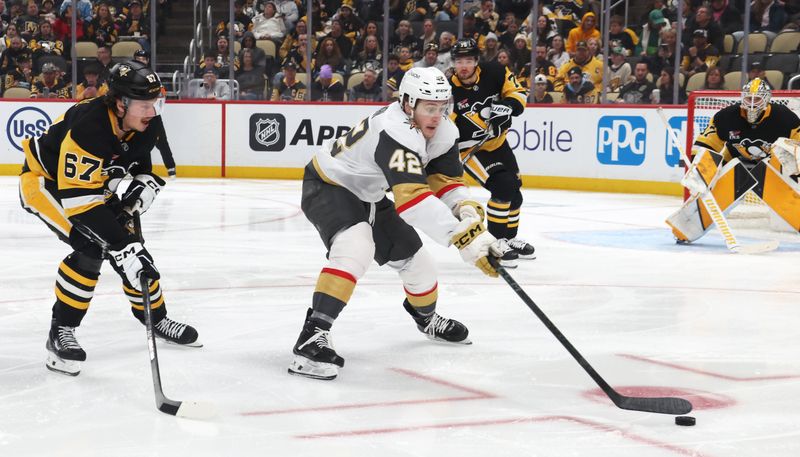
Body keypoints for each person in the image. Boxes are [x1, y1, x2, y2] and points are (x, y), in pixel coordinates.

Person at [288, 66, 503, 380]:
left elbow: (445, 181)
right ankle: (312, 337)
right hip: (329, 184)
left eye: (442, 108)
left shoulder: (442, 130)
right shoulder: (395, 128)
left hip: (370, 194)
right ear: (407, 104)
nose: (436, 116)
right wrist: (462, 236)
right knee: (355, 247)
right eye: (429, 108)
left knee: (419, 265)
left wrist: (467, 212)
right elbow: (412, 200)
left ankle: (425, 318)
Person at [18, 61, 200, 376]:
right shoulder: (89, 126)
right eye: (144, 104)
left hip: (91, 184)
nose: (152, 111)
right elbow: (78, 202)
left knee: (135, 252)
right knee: (92, 246)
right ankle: (60, 331)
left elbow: (139, 157)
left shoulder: (147, 121)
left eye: (154, 103)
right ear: (120, 103)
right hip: (47, 183)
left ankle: (155, 317)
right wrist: (120, 243)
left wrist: (143, 183)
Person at [666, 78, 800, 243]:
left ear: (766, 99)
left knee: (783, 174)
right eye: (748, 98)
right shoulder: (727, 116)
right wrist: (699, 168)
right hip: (736, 163)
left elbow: (796, 146)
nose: (751, 104)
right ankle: (684, 230)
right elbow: (707, 144)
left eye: (756, 99)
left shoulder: (784, 117)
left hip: (770, 166)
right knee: (719, 187)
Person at [448, 38, 533, 266]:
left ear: (477, 61)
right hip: (470, 150)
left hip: (498, 144)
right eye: (459, 61)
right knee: (503, 187)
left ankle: (508, 239)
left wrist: (507, 109)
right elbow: (445, 130)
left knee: (515, 193)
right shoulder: (448, 91)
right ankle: (495, 244)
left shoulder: (495, 71)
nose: (463, 66)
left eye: (468, 60)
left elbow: (518, 94)